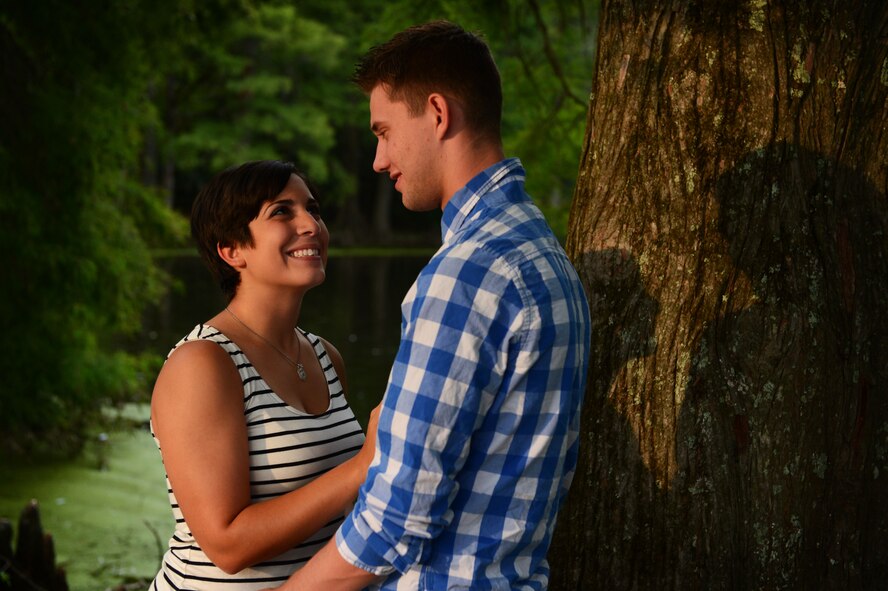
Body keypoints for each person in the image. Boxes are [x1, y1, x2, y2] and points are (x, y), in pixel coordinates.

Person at [268, 20, 591, 591]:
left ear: (438, 115)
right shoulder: (546, 254)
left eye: (385, 131)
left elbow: (395, 519)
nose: (377, 158)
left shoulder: (467, 274)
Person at [148, 160, 379, 590]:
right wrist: (363, 465)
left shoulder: (326, 356)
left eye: (313, 209)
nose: (311, 224)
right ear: (232, 250)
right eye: (281, 212)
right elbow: (227, 545)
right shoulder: (202, 364)